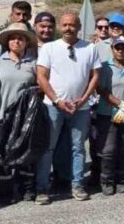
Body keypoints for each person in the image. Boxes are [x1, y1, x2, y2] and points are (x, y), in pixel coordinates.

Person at [36, 12, 100, 202]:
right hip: (54, 106)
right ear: (60, 27)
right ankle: (42, 188)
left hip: (80, 108)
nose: (68, 28)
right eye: (64, 25)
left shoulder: (90, 48)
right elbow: (41, 77)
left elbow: (95, 75)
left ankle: (78, 185)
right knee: (48, 148)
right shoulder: (49, 48)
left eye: (72, 25)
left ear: (79, 27)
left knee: (78, 148)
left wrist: (84, 99)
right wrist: (57, 100)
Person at [0, 23, 39, 203]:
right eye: (13, 38)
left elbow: (41, 85)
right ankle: (5, 191)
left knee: (26, 153)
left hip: (26, 117)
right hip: (2, 115)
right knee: (2, 154)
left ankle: (27, 189)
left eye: (21, 38)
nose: (17, 41)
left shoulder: (33, 63)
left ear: (27, 42)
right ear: (7, 42)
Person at [93, 37, 124, 196]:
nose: (120, 51)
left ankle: (121, 180)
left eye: (123, 48)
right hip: (107, 113)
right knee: (108, 149)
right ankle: (107, 180)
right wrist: (118, 104)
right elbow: (101, 89)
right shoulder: (105, 67)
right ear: (112, 49)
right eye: (117, 48)